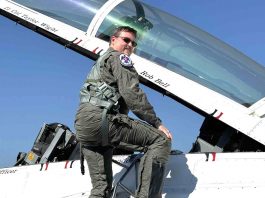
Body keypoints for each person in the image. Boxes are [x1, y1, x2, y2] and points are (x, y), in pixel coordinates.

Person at [75, 26, 172, 198]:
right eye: (125, 40)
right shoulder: (119, 58)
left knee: (100, 190)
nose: (129, 45)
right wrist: (156, 123)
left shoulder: (101, 61)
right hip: (101, 120)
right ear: (113, 40)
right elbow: (132, 94)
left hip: (84, 127)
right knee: (160, 140)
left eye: (133, 43)